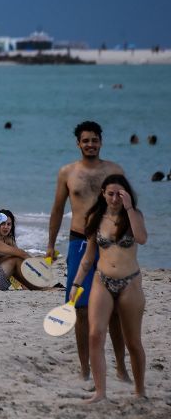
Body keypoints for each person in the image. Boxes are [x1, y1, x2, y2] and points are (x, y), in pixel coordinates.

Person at [46, 120, 129, 382]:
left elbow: (128, 207)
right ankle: (85, 369)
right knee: (79, 309)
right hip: (78, 242)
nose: (90, 144)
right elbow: (58, 209)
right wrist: (50, 244)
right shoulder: (67, 172)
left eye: (94, 140)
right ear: (78, 143)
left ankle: (121, 367)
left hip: (110, 244)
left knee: (115, 309)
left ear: (101, 142)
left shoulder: (115, 171)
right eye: (86, 140)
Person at [71, 175, 148, 403]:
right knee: (95, 335)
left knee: (132, 341)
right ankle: (100, 392)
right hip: (101, 281)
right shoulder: (95, 218)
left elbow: (142, 238)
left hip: (130, 283)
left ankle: (140, 391)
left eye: (120, 194)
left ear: (126, 194)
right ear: (103, 193)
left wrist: (130, 208)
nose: (115, 198)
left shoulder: (134, 216)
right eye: (111, 193)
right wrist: (76, 283)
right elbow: (88, 257)